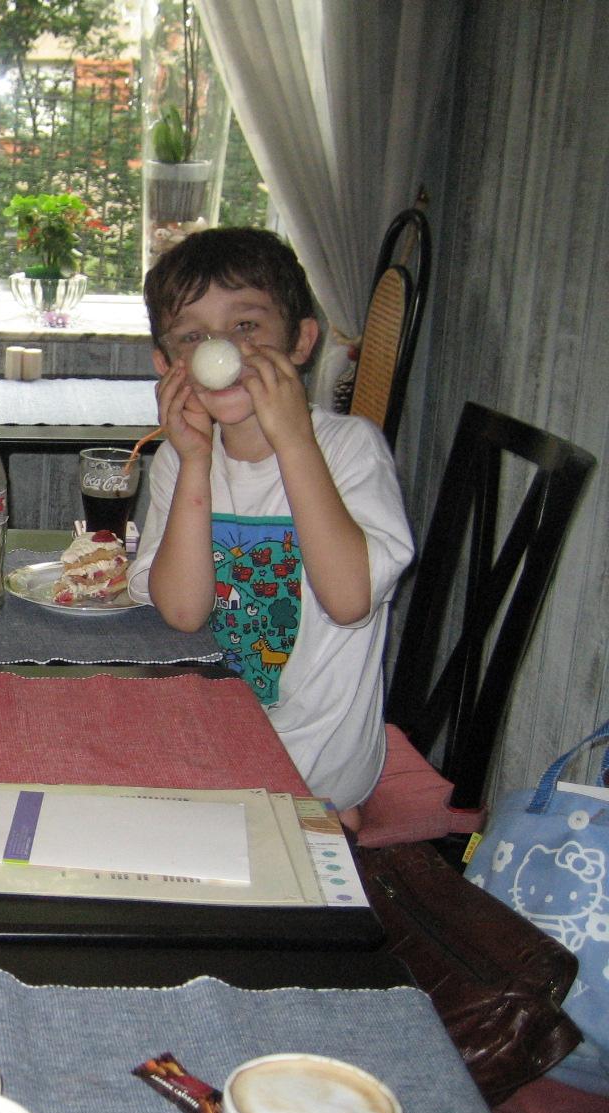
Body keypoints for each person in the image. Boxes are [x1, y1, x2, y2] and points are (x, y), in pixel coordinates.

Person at [128, 228, 414, 826]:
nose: (222, 350)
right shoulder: (182, 457)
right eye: (193, 336)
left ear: (302, 340)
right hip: (215, 741)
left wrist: (293, 440)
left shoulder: (349, 448)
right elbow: (183, 612)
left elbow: (350, 601)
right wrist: (196, 460)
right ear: (168, 364)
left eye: (246, 325)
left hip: (317, 766)